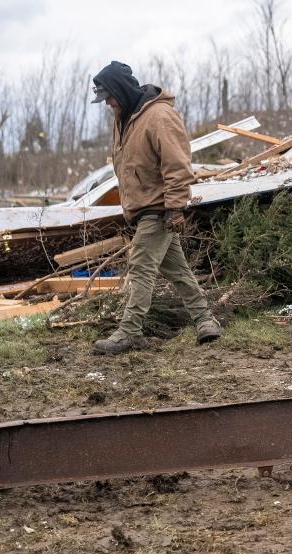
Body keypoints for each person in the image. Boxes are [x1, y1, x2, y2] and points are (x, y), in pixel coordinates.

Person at [89, 61, 221, 354]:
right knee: (178, 271)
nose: (108, 104)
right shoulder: (124, 116)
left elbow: (178, 164)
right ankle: (205, 320)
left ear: (121, 91)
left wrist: (175, 207)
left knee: (140, 267)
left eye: (109, 97)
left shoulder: (159, 116)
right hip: (143, 207)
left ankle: (130, 331)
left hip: (158, 207)